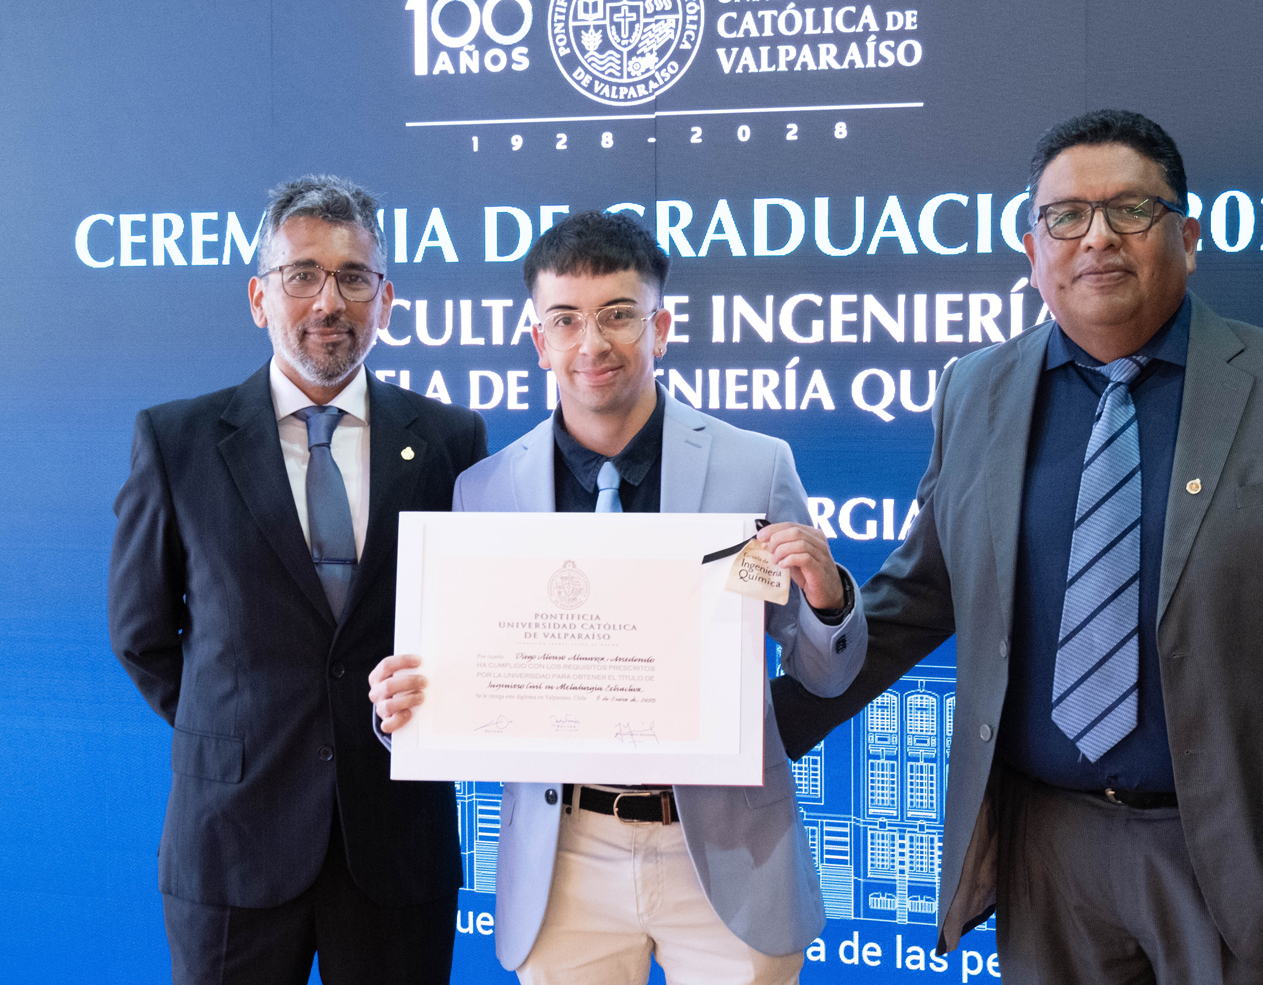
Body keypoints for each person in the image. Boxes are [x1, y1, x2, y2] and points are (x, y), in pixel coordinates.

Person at [771, 110, 1263, 985]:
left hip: (1240, 848)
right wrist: (752, 732)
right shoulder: (975, 390)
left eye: (1131, 209)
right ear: (1034, 252)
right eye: (1066, 217)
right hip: (1044, 850)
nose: (1096, 237)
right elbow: (919, 598)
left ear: (1188, 238)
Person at [368, 209, 867, 985]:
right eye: (565, 319)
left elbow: (825, 676)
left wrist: (828, 602)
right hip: (563, 857)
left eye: (618, 316)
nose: (591, 343)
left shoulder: (755, 467)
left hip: (730, 852)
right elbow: (464, 690)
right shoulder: (485, 491)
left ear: (659, 328)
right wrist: (407, 709)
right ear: (539, 341)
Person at [108, 176, 489, 985]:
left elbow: (475, 622)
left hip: (394, 841)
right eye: (303, 274)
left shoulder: (452, 440)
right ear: (259, 297)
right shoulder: (176, 440)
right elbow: (141, 635)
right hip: (232, 838)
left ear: (385, 300)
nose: (329, 301)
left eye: (354, 278)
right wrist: (238, 728)